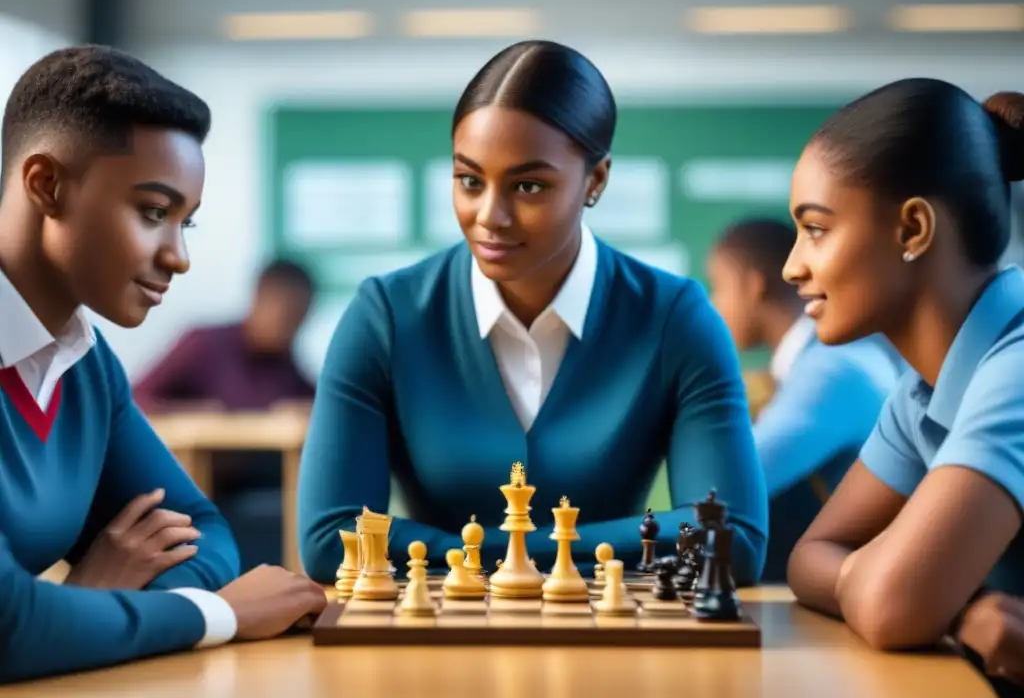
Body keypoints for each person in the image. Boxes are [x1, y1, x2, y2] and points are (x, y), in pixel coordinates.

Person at [297, 40, 769, 586]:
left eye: (528, 186)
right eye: (470, 181)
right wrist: (558, 552)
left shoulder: (675, 319)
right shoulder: (386, 316)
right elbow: (329, 539)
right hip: (430, 649)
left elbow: (733, 540)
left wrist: (471, 553)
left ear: (596, 181)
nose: (489, 216)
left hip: (616, 648)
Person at [0, 46, 325, 684]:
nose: (178, 257)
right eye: (153, 212)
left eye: (186, 224)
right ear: (47, 185)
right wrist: (214, 615)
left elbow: (205, 535)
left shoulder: (86, 366)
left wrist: (81, 609)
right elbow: (11, 624)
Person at [781, 78, 1024, 691]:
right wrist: (961, 608)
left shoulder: (1016, 367)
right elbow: (810, 558)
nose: (792, 266)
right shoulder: (922, 391)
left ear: (914, 229)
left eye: (816, 229)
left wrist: (915, 593)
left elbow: (892, 604)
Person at [706, 217, 904, 581]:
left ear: (753, 286)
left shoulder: (830, 370)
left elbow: (728, 485)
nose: (714, 304)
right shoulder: (814, 364)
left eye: (719, 287)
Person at [133, 258, 317, 570]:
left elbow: (316, 406)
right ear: (260, 299)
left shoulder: (285, 364)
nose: (289, 328)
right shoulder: (205, 344)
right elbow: (137, 398)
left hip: (259, 488)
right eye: (285, 315)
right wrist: (193, 416)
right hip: (199, 488)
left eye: (299, 319)